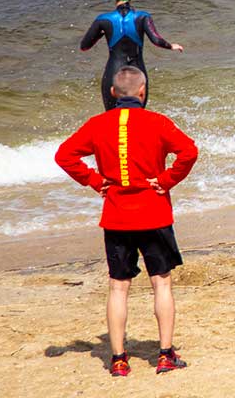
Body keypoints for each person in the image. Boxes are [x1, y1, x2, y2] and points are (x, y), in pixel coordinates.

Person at [54, 66, 199, 377]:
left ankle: (119, 359)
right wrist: (167, 179)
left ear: (112, 93)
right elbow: (189, 152)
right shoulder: (157, 121)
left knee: (118, 287)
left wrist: (94, 180)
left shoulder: (98, 124)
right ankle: (164, 355)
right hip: (154, 213)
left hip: (117, 216)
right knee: (161, 282)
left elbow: (64, 155)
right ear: (143, 92)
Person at [79, 0, 184, 111]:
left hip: (114, 74)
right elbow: (156, 40)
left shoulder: (103, 19)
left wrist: (102, 33)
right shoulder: (142, 17)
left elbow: (84, 46)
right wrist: (171, 46)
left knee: (112, 118)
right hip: (137, 73)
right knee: (138, 117)